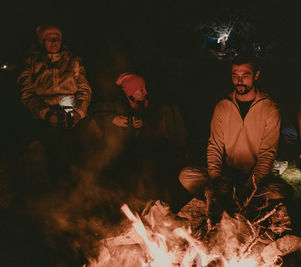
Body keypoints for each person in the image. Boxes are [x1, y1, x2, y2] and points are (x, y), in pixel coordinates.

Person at [178, 55, 293, 232]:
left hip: (253, 179)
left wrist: (249, 187)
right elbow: (215, 145)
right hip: (226, 176)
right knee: (186, 175)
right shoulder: (223, 107)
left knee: (281, 191)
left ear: (256, 75)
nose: (239, 80)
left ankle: (237, 201)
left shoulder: (270, 109)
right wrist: (216, 179)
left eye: (245, 75)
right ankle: (224, 199)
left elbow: (267, 154)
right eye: (235, 75)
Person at [92, 72, 187, 201]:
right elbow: (95, 112)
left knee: (169, 110)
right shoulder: (116, 103)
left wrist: (141, 123)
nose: (145, 92)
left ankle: (179, 154)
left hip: (141, 145)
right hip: (121, 148)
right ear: (130, 91)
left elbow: (149, 118)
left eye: (145, 88)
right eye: (141, 89)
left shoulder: (144, 102)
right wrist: (114, 119)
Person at [17, 24, 93, 181]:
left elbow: (84, 89)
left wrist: (79, 112)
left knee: (83, 136)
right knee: (53, 141)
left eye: (57, 38)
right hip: (44, 110)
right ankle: (59, 184)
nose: (53, 41)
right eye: (48, 38)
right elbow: (27, 94)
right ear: (41, 42)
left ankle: (85, 183)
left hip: (69, 106)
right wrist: (46, 113)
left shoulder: (73, 61)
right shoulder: (32, 64)